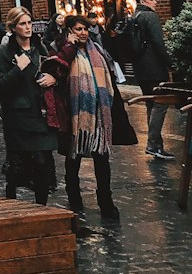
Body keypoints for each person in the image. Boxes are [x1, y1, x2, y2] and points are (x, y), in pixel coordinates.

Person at [42, 14, 134, 218]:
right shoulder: (60, 50)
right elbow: (56, 73)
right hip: (74, 116)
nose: (83, 33)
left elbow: (108, 78)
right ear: (69, 31)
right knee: (72, 159)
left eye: (85, 29)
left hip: (100, 115)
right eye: (78, 29)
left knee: (102, 159)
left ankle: (106, 201)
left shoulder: (97, 50)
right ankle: (74, 199)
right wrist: (70, 47)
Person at [0, 7, 57, 204]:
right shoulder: (4, 51)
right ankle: (11, 201)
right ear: (13, 27)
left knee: (42, 162)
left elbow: (55, 70)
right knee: (17, 165)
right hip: (17, 117)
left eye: (29, 23)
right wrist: (17, 69)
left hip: (41, 113)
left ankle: (41, 207)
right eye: (22, 24)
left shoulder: (41, 47)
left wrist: (53, 78)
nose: (27, 27)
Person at [131, 0, 174, 160]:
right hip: (154, 68)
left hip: (140, 69)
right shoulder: (150, 17)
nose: (155, 2)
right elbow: (158, 42)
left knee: (151, 104)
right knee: (161, 104)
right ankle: (152, 143)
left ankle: (157, 146)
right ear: (143, 1)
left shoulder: (133, 17)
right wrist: (170, 63)